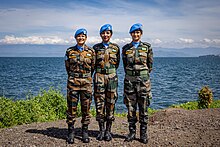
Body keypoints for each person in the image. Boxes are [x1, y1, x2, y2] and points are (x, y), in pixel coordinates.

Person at [122, 23, 153, 144]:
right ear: (131, 34)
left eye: (138, 32)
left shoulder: (147, 47)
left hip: (143, 82)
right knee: (131, 107)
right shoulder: (126, 48)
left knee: (144, 107)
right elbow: (125, 65)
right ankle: (132, 132)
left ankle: (143, 133)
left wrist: (141, 74)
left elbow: (150, 65)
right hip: (130, 81)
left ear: (141, 34)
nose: (135, 34)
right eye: (133, 32)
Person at [65, 28, 95, 144]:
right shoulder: (69, 51)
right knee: (71, 108)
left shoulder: (91, 52)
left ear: (86, 38)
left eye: (83, 36)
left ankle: (84, 132)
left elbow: (93, 67)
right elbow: (67, 67)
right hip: (73, 83)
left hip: (86, 84)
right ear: (75, 37)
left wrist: (85, 77)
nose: (81, 38)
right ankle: (71, 132)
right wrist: (75, 77)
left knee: (86, 108)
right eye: (78, 36)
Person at [93, 24, 120, 141]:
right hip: (99, 76)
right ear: (100, 35)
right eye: (103, 33)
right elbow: (93, 63)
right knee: (99, 103)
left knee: (111, 102)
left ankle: (109, 131)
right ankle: (101, 130)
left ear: (111, 34)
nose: (105, 35)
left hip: (112, 76)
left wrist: (110, 72)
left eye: (108, 33)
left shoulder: (116, 48)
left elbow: (117, 63)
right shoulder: (95, 48)